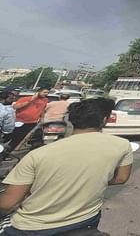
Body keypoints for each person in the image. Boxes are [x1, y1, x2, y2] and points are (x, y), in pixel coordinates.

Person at [0, 98, 133, 235]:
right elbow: (121, 178)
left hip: (30, 227)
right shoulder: (122, 145)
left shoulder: (38, 154)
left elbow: (7, 204)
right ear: (104, 120)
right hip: (86, 221)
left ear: (70, 120)